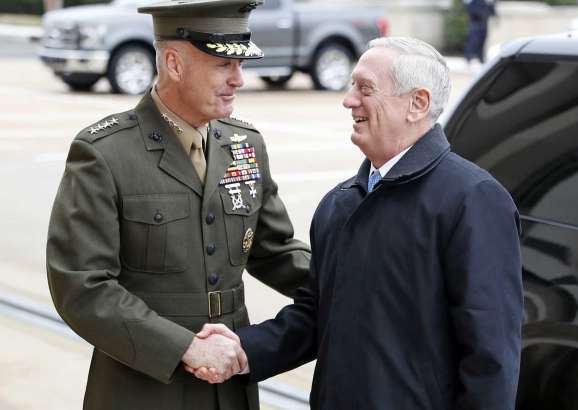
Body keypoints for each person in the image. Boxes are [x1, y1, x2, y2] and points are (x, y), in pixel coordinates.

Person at [190, 37, 523, 410]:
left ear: (418, 103)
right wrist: (242, 349)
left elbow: (490, 359)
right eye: (351, 86)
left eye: (365, 88)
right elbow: (316, 318)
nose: (349, 100)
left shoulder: (472, 200)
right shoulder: (340, 204)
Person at [45, 1, 310, 409]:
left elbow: (275, 251)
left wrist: (356, 281)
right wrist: (185, 347)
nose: (239, 79)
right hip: (143, 387)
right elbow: (81, 286)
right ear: (173, 63)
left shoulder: (245, 145)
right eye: (224, 65)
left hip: (230, 385)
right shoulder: (105, 153)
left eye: (240, 65)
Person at [463, 0, 497, 64]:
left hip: (484, 22)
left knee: (482, 40)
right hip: (475, 22)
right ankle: (468, 57)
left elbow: (492, 10)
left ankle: (480, 57)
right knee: (473, 40)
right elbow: (469, 7)